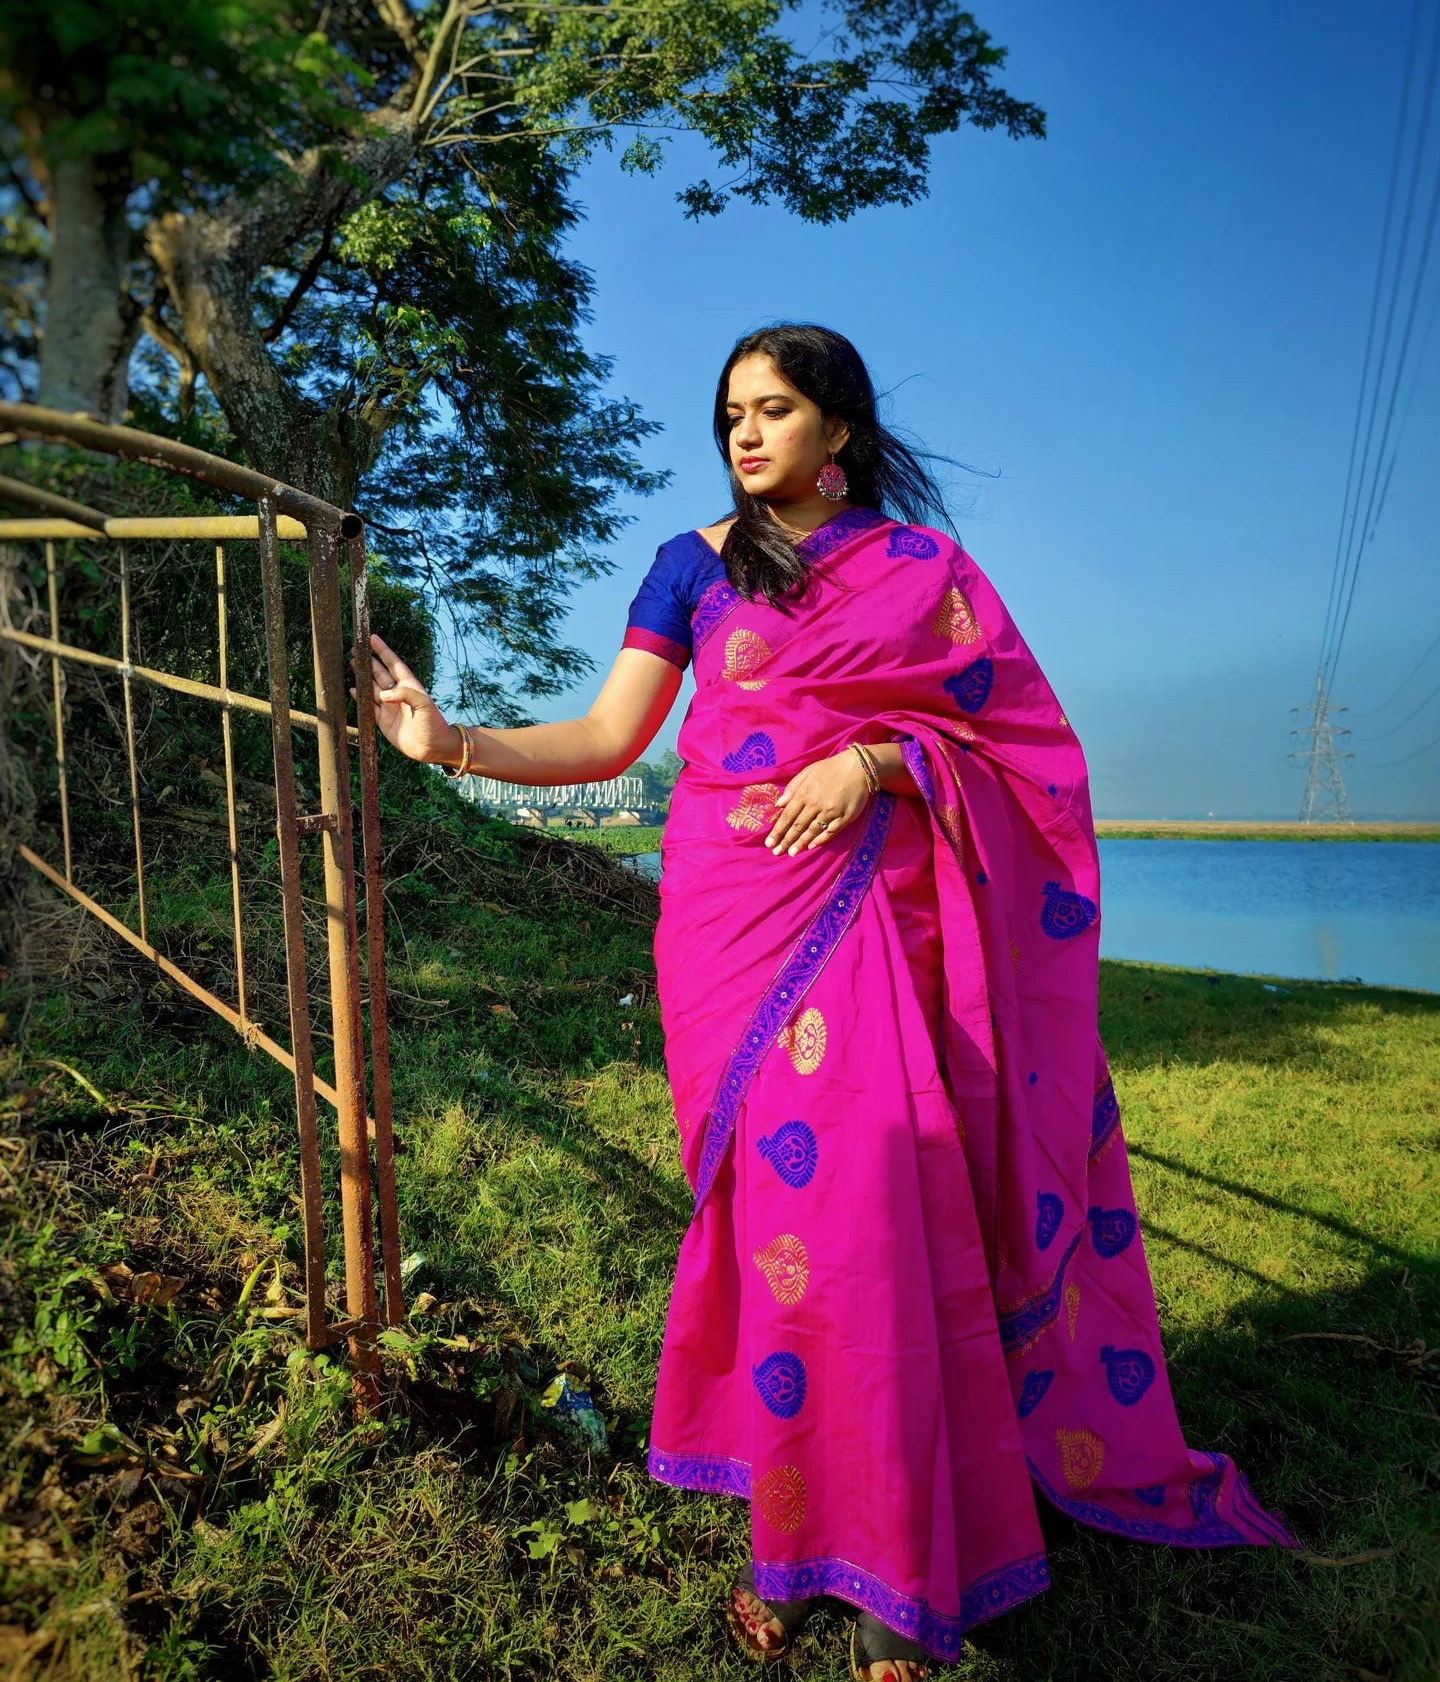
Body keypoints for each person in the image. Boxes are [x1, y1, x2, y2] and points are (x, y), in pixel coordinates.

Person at [367, 323, 1295, 1681]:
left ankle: (891, 1576)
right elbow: (607, 739)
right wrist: (445, 739)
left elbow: (1021, 746)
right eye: (730, 413)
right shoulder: (691, 563)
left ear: (837, 431)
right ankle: (800, 1536)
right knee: (776, 1231)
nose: (745, 434)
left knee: (874, 1221)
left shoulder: (921, 573)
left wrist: (875, 759)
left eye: (775, 410)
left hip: (877, 922)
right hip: (725, 930)